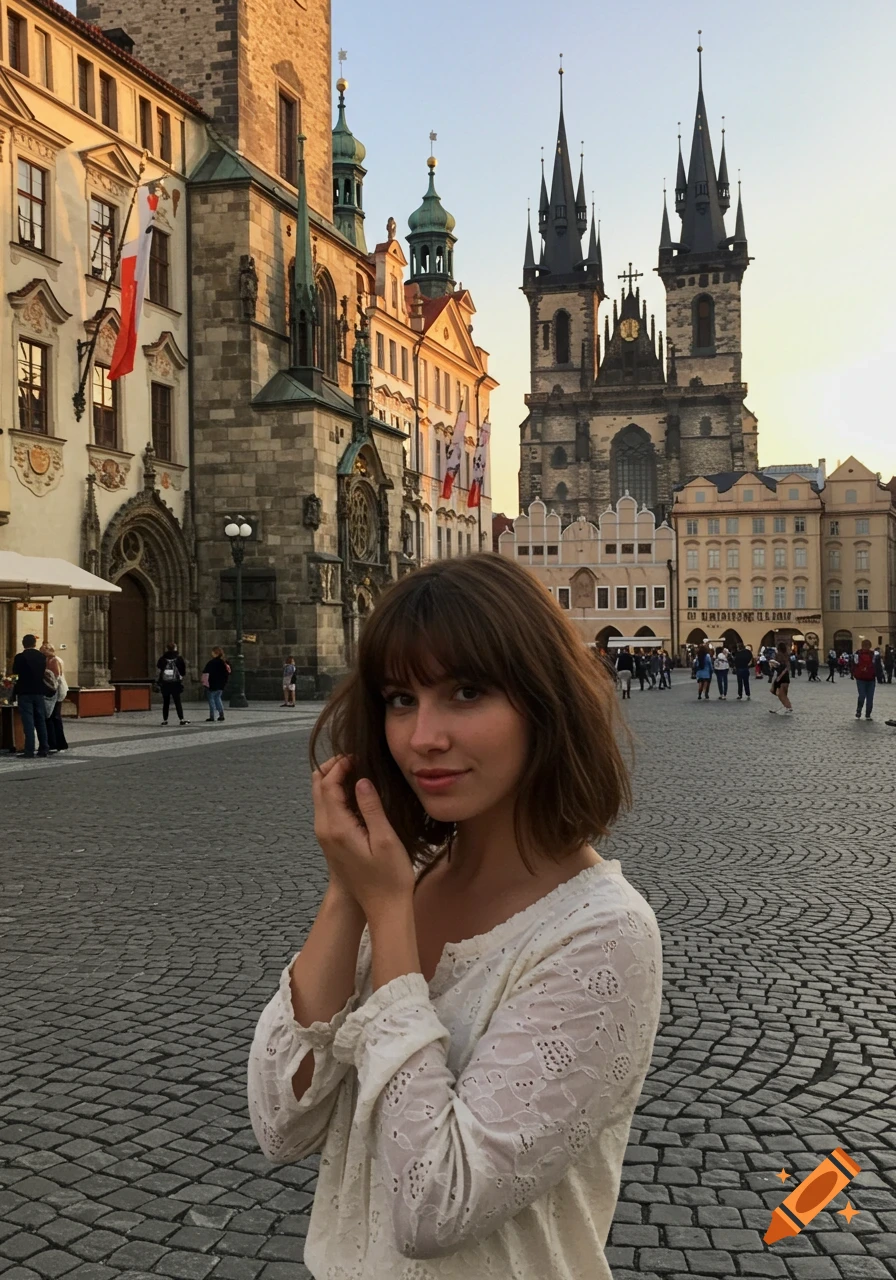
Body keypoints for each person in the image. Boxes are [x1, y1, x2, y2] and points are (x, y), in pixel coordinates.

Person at [247, 552, 662, 1280]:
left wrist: (388, 915)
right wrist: (351, 889)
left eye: (465, 692)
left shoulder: (602, 933)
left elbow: (435, 1203)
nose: (421, 738)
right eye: (400, 698)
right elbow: (283, 1123)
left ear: (544, 702)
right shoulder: (405, 878)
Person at [12, 634, 49, 759]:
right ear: (34, 644)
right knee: (40, 720)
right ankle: (44, 748)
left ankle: (29, 749)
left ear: (23, 643)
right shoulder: (42, 657)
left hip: (24, 692)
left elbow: (15, 674)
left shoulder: (20, 657)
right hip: (39, 691)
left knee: (28, 721)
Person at [40, 642, 69, 752]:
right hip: (55, 691)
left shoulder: (54, 661)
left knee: (53, 717)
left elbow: (55, 677)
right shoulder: (51, 660)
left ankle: (57, 743)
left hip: (55, 692)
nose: (41, 653)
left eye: (42, 651)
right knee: (53, 717)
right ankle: (56, 743)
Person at [157, 642, 189, 726]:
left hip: (165, 683)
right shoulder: (179, 658)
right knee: (177, 701)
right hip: (176, 683)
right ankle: (181, 719)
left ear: (167, 649)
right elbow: (183, 671)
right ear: (175, 648)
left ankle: (165, 720)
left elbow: (159, 666)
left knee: (166, 702)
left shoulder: (163, 658)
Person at [202, 647, 230, 722]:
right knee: (218, 698)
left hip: (212, 684)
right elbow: (227, 673)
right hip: (221, 685)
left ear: (215, 653)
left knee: (211, 700)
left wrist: (205, 683)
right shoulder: (224, 662)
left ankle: (212, 716)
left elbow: (205, 673)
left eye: (212, 652)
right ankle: (221, 715)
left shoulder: (211, 663)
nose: (211, 654)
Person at [852, 638, 876, 720]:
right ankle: (867, 714)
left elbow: (854, 664)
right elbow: (877, 666)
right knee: (869, 697)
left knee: (862, 696)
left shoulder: (857, 653)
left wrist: (854, 674)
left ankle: (859, 711)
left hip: (861, 678)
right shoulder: (873, 654)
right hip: (870, 679)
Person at [769, 642, 793, 715]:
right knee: (778, 692)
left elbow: (781, 666)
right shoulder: (787, 655)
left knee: (781, 694)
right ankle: (786, 706)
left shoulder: (779, 655)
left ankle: (788, 707)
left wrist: (779, 675)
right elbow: (787, 667)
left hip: (781, 675)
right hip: (785, 675)